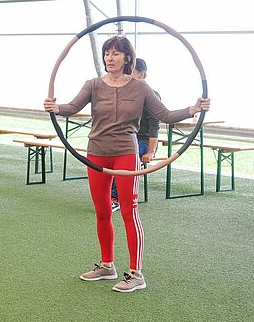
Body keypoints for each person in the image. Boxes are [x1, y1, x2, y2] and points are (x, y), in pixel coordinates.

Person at [44, 36, 210, 292]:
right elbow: (73, 106)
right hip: (96, 153)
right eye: (107, 53)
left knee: (129, 211)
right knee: (102, 211)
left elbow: (164, 115)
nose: (110, 58)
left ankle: (136, 273)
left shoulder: (141, 88)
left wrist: (193, 109)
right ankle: (107, 265)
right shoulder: (93, 85)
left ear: (127, 58)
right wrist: (55, 107)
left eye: (116, 54)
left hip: (125, 154)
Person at [110, 58, 160, 212]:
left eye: (130, 72)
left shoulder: (152, 95)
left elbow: (154, 126)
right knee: (107, 151)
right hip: (125, 138)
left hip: (142, 141)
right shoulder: (124, 93)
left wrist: (151, 151)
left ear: (142, 74)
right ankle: (108, 195)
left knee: (125, 154)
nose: (126, 75)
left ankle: (115, 198)